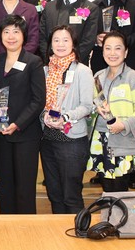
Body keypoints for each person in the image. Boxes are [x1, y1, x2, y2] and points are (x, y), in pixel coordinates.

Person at [0, 15, 45, 214]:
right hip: (1, 133)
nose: (10, 36)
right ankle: (6, 226)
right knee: (5, 183)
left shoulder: (33, 62)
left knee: (25, 186)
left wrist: (18, 123)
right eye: (6, 32)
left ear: (24, 35)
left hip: (26, 134)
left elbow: (38, 100)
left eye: (16, 31)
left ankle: (26, 229)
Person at [40, 25, 95, 213]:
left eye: (65, 40)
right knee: (54, 194)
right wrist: (44, 116)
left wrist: (65, 117)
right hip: (47, 140)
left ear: (73, 44)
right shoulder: (45, 71)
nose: (60, 44)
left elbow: (87, 106)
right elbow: (39, 103)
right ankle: (58, 237)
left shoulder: (82, 71)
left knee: (71, 195)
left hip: (71, 140)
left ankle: (78, 234)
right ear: (50, 44)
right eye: (56, 40)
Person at [87, 31, 135, 193]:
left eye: (117, 48)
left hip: (123, 141)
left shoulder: (133, 78)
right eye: (108, 48)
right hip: (100, 141)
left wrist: (123, 125)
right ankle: (109, 218)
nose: (112, 53)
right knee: (107, 189)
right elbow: (93, 106)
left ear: (126, 52)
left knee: (120, 191)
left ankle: (120, 219)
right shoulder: (98, 77)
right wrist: (95, 109)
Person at [39, 0, 99, 64]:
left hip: (77, 64)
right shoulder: (49, 7)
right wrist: (50, 59)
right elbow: (42, 37)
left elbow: (88, 41)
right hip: (51, 64)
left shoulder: (91, 8)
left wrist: (70, 61)